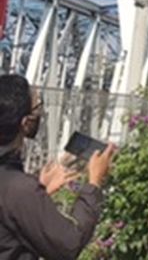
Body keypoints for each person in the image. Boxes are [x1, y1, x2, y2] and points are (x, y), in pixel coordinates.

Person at [0, 74, 114, 259]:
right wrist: (94, 183)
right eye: (37, 107)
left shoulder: (17, 188)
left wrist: (39, 188)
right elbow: (69, 244)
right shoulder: (19, 190)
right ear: (25, 123)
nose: (40, 114)